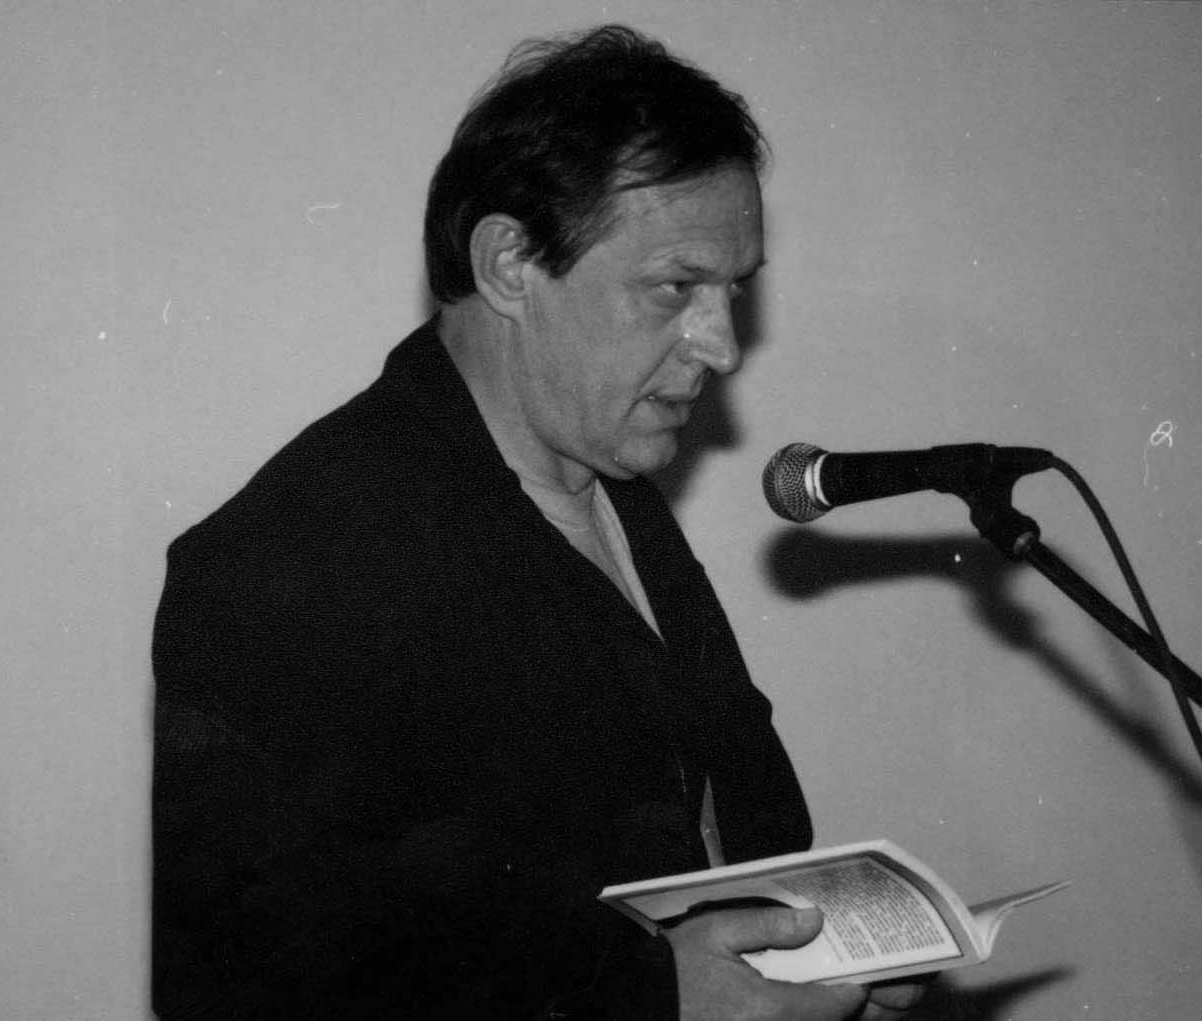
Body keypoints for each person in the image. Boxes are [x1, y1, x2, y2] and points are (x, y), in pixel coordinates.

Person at [152, 24, 925, 1020]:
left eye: (732, 291)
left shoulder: (617, 491)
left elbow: (718, 839)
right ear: (510, 263)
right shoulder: (288, 555)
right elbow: (246, 984)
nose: (722, 345)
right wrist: (649, 999)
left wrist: (821, 957)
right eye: (676, 287)